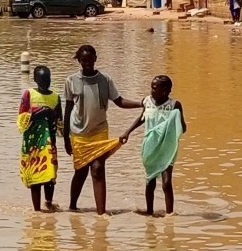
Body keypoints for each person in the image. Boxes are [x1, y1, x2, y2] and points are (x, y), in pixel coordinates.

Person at [63, 44, 141, 215]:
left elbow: (119, 101)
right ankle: (72, 207)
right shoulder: (71, 81)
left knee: (98, 169)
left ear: (95, 59)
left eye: (90, 60)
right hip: (78, 133)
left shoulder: (105, 80)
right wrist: (66, 138)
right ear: (79, 61)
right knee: (81, 171)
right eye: (83, 60)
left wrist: (141, 103)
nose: (87, 63)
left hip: (99, 131)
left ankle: (101, 214)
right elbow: (68, 110)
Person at [120, 75, 187, 215]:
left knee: (166, 183)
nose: (151, 91)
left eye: (155, 88)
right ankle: (149, 212)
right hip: (150, 146)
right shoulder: (147, 102)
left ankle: (170, 215)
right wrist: (127, 132)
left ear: (165, 90)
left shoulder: (175, 105)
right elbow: (142, 118)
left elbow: (183, 128)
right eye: (151, 87)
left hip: (167, 148)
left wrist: (175, 119)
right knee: (150, 181)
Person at [19, 65, 63, 212]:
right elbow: (21, 120)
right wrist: (42, 112)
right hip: (33, 143)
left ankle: (49, 204)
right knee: (36, 178)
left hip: (49, 143)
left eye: (47, 79)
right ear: (35, 80)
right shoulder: (28, 94)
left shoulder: (55, 97)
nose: (45, 83)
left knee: (50, 176)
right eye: (42, 80)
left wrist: (66, 139)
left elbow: (60, 122)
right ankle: (37, 211)